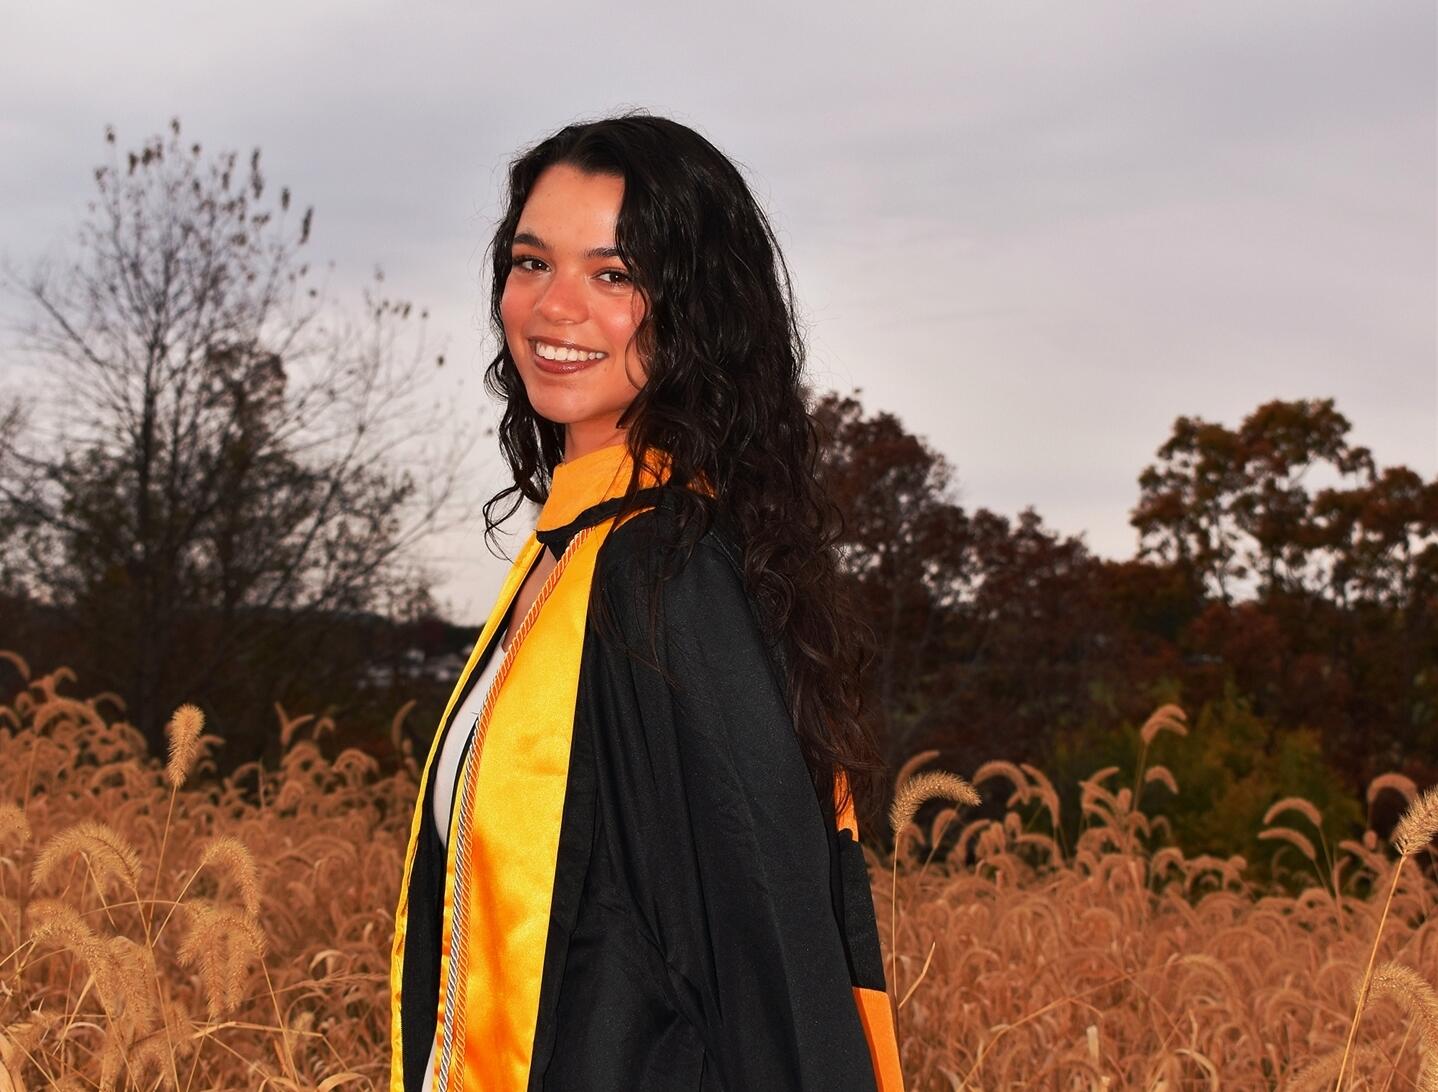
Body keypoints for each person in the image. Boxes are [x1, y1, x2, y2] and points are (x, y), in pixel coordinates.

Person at [389, 111, 905, 1092]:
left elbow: (772, 953)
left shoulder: (666, 573)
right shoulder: (569, 553)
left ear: (694, 309)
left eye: (613, 275)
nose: (555, 308)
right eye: (532, 262)